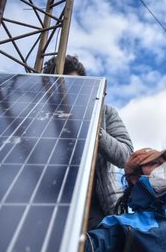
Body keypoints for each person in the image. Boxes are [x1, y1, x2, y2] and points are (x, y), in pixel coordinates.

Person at [43, 55, 134, 229]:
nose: (67, 90)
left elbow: (126, 156)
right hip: (48, 207)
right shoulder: (39, 117)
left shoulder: (105, 113)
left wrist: (95, 129)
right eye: (61, 84)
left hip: (99, 209)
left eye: (75, 84)